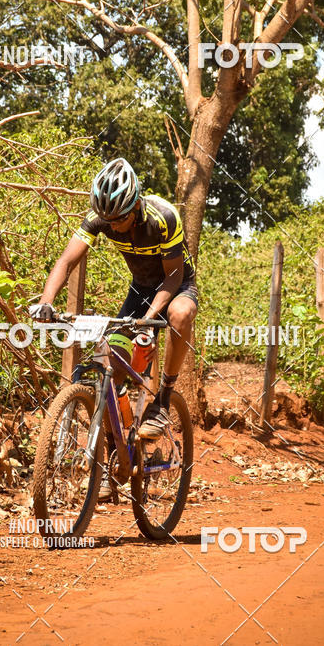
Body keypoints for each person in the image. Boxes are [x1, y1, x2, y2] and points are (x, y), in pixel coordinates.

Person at [34, 157, 198, 441]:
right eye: (108, 220)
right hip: (140, 289)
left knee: (180, 314)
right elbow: (66, 262)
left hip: (177, 285)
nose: (114, 226)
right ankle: (114, 456)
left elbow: (172, 277)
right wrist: (46, 301)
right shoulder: (101, 219)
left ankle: (163, 399)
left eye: (119, 219)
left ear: (135, 204)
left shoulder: (164, 217)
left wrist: (148, 319)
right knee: (112, 366)